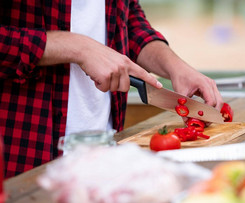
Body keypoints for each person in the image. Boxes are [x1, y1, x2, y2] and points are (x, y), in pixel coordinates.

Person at [0, 0, 224, 178]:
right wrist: (77, 47)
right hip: (22, 161)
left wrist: (175, 66)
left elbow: (129, 21)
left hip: (104, 157)